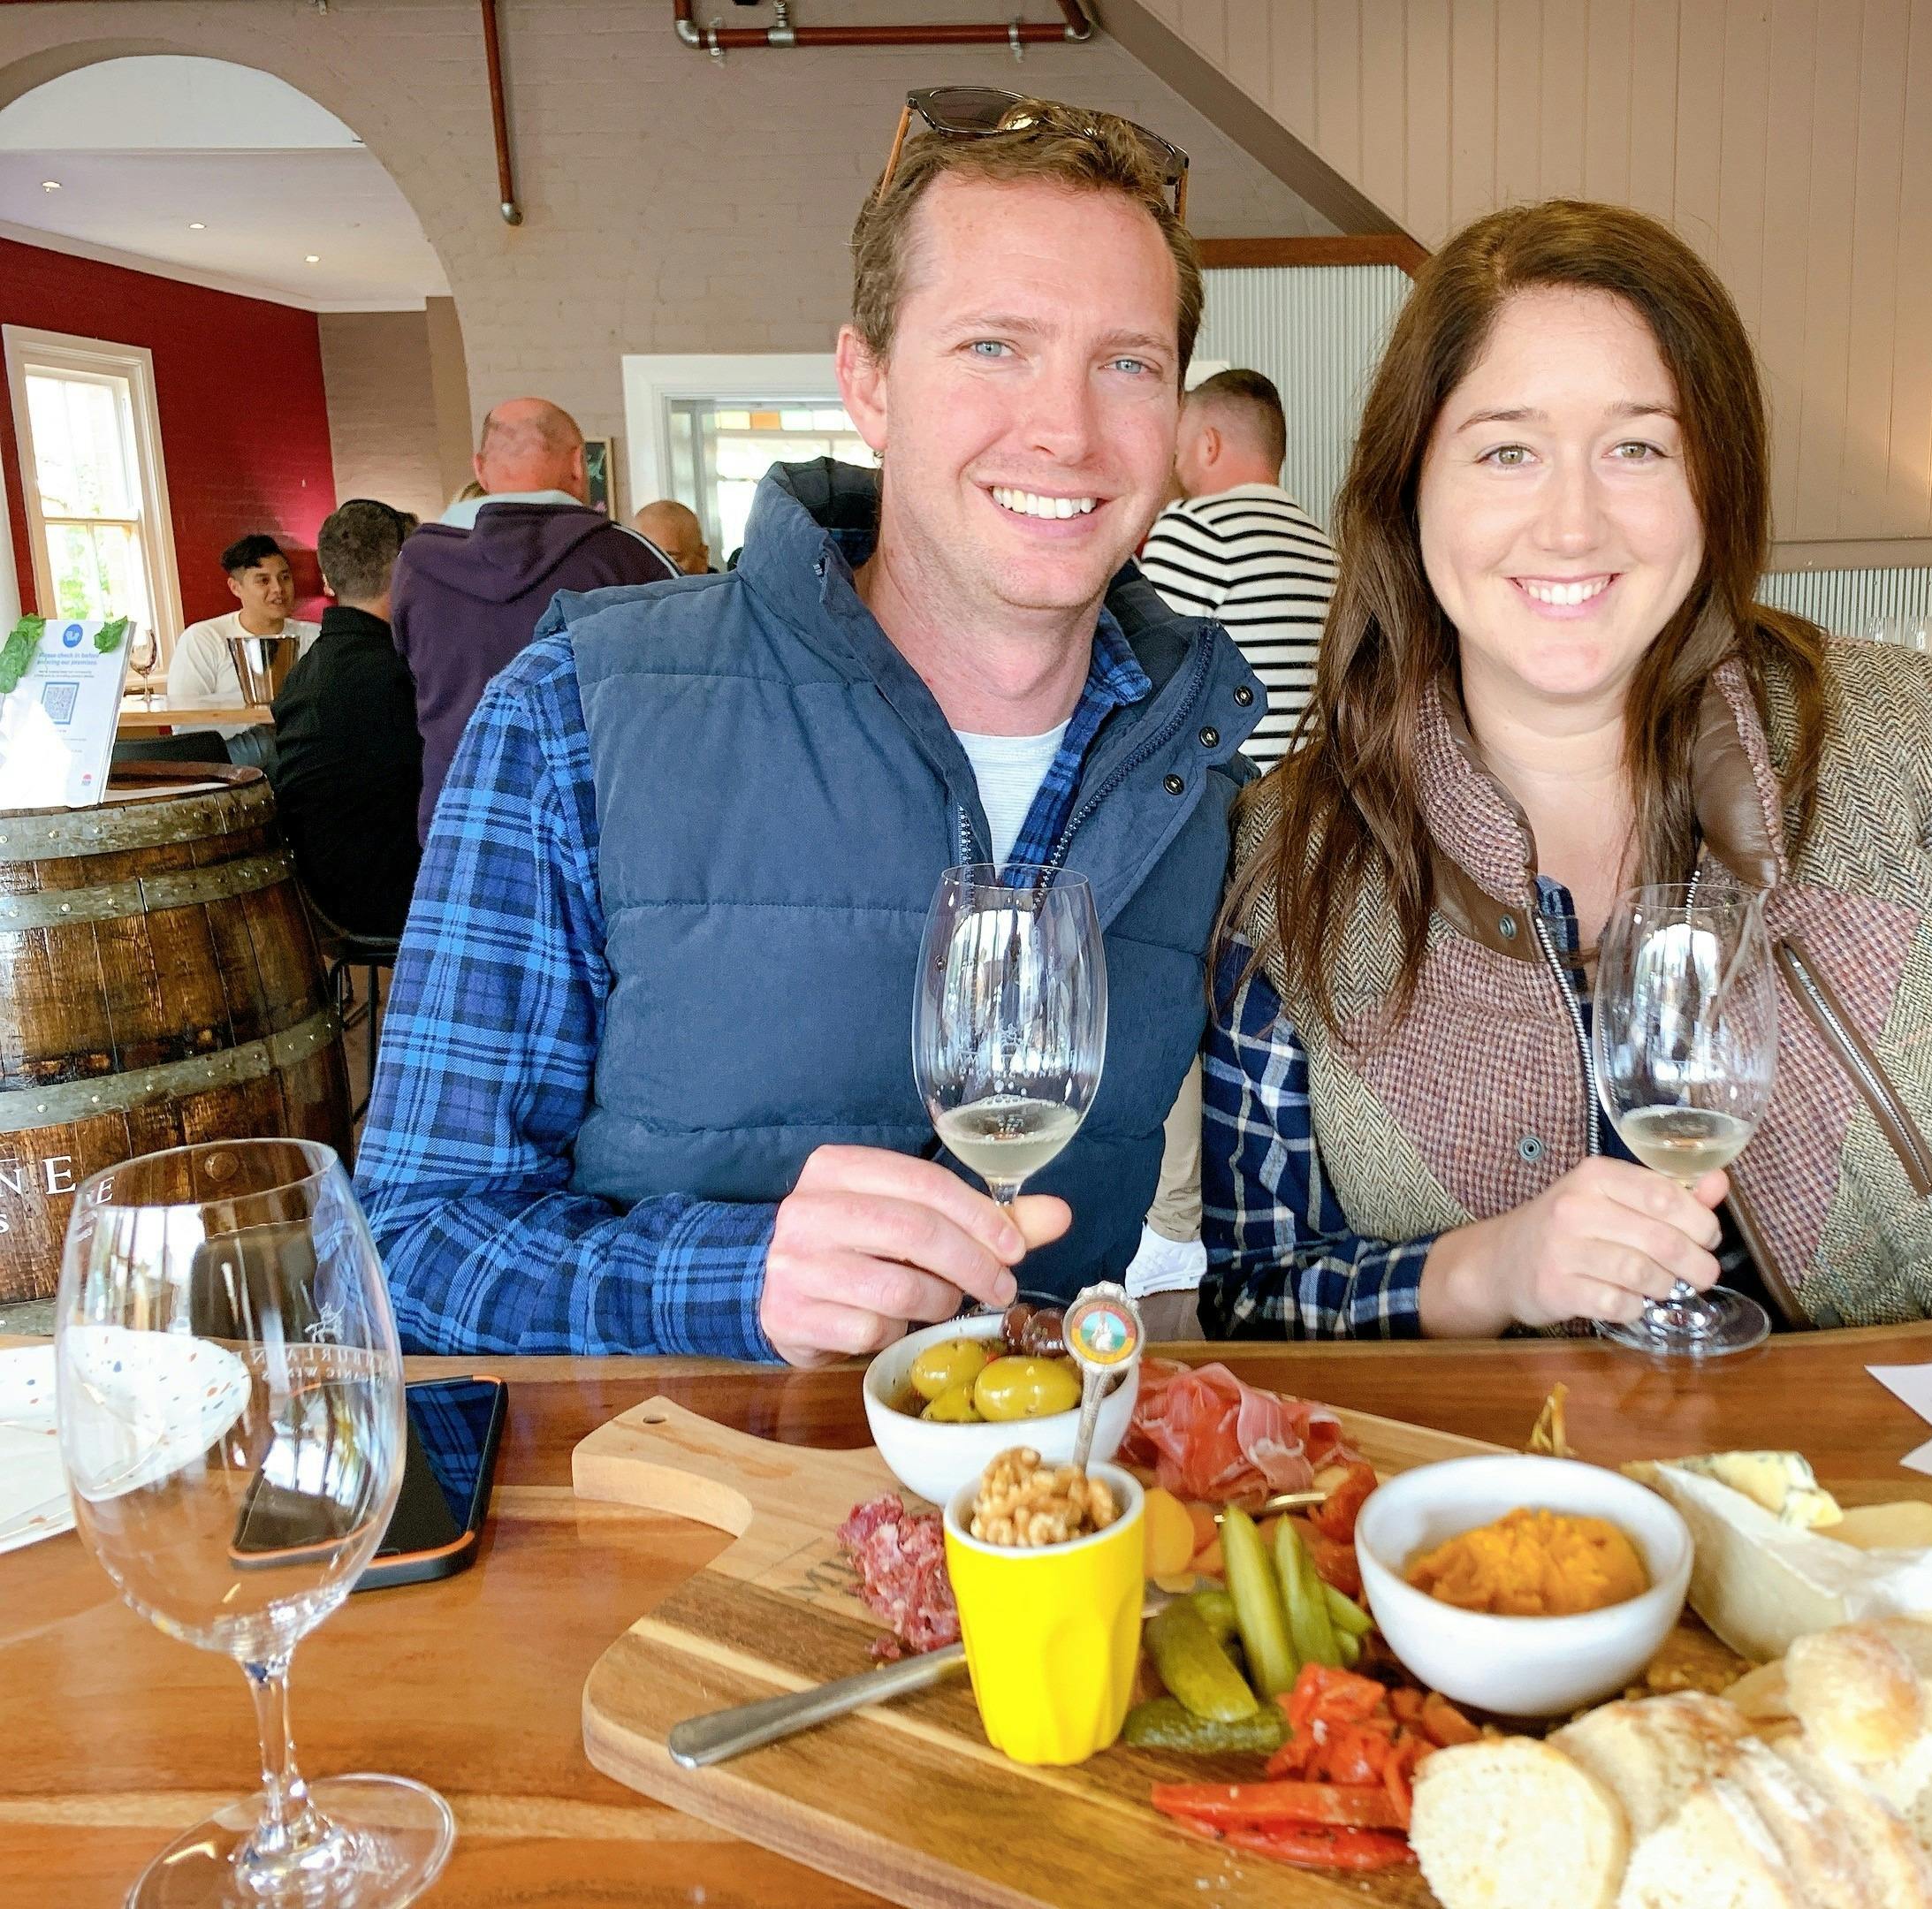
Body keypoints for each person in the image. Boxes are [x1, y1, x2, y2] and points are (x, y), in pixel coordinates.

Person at [1203, 201, 1932, 1340]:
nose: (1570, 524)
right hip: (1507, 1508)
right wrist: (1478, 1274)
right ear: (1408, 489)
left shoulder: (1912, 748)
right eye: (1507, 449)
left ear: (1717, 483)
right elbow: (1254, 1299)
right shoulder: (1288, 856)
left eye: (1638, 448)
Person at [356, 88, 1259, 1365]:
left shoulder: (1201, 779)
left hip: (1039, 1536)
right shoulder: (574, 718)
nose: (1065, 427)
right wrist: (735, 1277)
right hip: (674, 1529)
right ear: (868, 383)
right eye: (994, 346)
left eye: (1128, 363)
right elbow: (405, 1244)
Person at [391, 398, 673, 838]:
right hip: (600, 824)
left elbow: (411, 686)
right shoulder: (631, 560)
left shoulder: (414, 570)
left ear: (480, 470)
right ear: (579, 465)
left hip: (458, 818)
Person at [1139, 369, 1335, 769]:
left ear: (1208, 445)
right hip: (1310, 805)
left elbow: (1144, 690)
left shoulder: (1195, 527)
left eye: (1177, 451)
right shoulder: (1326, 550)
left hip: (1231, 810)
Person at [270, 500, 425, 940]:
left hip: (318, 900)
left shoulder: (303, 673)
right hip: (394, 898)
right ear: (403, 571)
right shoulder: (399, 676)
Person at [164, 534, 316, 749]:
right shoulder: (203, 638)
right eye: (264, 580)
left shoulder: (316, 636)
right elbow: (182, 723)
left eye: (285, 577)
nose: (278, 589)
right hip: (228, 756)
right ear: (235, 587)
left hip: (300, 752)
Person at [632, 499, 715, 575]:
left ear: (703, 557)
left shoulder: (723, 591)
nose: (649, 573)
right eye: (640, 563)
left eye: (668, 560)